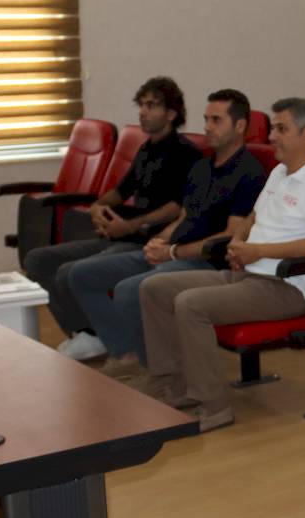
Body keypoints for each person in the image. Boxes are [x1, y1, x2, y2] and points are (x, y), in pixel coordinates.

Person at [138, 98, 305, 432]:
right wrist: (238, 242)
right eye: (273, 128)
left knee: (191, 304)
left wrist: (257, 250)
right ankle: (172, 388)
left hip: (285, 287)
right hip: (246, 275)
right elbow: (253, 216)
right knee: (154, 288)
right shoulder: (280, 172)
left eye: (281, 129)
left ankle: (214, 407)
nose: (272, 136)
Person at [68, 90, 265, 376]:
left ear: (240, 126)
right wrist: (157, 242)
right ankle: (127, 352)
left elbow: (229, 237)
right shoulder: (202, 167)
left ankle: (160, 373)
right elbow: (184, 217)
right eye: (206, 119)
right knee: (82, 274)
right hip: (174, 252)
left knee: (129, 290)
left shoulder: (250, 173)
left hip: (207, 262)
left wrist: (172, 252)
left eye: (216, 120)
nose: (207, 127)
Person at [22, 76, 199, 360]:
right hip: (121, 235)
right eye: (141, 105)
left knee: (69, 272)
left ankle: (111, 341)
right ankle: (89, 333)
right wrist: (98, 207)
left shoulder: (185, 153)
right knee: (37, 260)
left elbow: (177, 207)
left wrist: (130, 225)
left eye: (151, 106)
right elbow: (120, 191)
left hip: (146, 241)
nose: (143, 112)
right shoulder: (146, 149)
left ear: (171, 113)